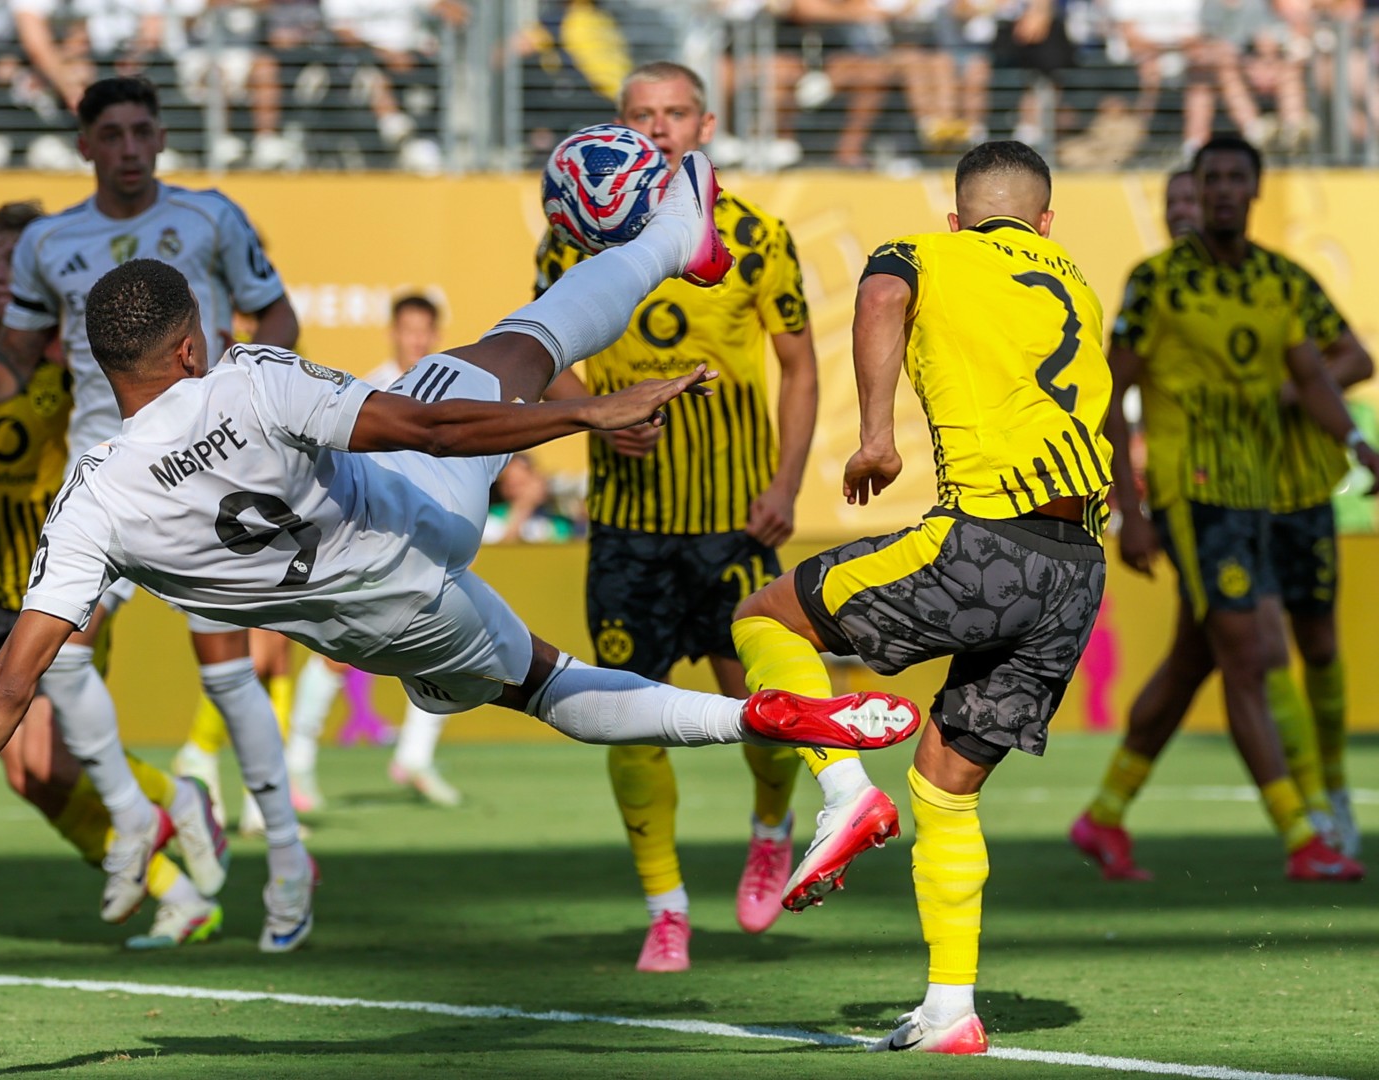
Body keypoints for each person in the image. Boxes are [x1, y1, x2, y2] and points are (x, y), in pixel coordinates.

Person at [0, 152, 923, 915]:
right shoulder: (248, 383)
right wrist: (584, 413)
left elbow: (4, 687)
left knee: (551, 687)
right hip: (418, 518)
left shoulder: (90, 504)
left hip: (388, 624)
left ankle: (774, 722)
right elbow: (431, 427)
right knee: (507, 351)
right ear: (185, 348)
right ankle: (674, 236)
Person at [728, 141, 1114, 1052]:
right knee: (946, 790)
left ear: (958, 216)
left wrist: (874, 435)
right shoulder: (1079, 284)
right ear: (1046, 221)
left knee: (762, 613)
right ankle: (951, 1008)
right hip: (1075, 567)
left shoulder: (927, 251)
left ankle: (841, 788)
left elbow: (879, 294)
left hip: (986, 538)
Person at [0, 75, 320, 952]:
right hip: (105, 471)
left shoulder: (214, 216)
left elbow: (280, 312)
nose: (129, 148)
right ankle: (136, 812)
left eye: (143, 131)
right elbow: (21, 359)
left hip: (208, 464)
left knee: (227, 671)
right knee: (60, 655)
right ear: (84, 145)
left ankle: (289, 861)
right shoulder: (49, 241)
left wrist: (247, 383)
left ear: (160, 137)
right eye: (110, 134)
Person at [537, 61, 821, 973]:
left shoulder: (755, 234)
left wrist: (785, 487)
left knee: (760, 706)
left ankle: (771, 829)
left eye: (674, 115)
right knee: (625, 712)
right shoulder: (573, 233)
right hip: (627, 524)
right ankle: (666, 906)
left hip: (735, 521)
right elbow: (540, 349)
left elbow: (800, 367)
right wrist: (586, 409)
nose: (658, 129)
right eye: (640, 116)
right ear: (618, 127)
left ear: (704, 125)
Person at [0, 198, 229, 949]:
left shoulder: (73, 358)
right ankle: (176, 877)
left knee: (42, 755)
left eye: (10, 264)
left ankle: (172, 814)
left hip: (63, 577)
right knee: (29, 775)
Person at [1073, 140, 1376, 881]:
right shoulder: (1156, 283)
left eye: (1236, 179)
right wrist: (1129, 506)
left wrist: (1361, 445)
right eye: (1210, 180)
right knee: (1251, 655)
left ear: (1255, 190)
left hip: (1264, 498)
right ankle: (1303, 835)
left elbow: (1314, 373)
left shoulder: (1277, 281)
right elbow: (1113, 391)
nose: (1221, 193)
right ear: (1195, 191)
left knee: (1193, 659)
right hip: (1194, 496)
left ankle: (1105, 815)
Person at [281, 291, 469, 810]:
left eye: (424, 330)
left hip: (430, 537)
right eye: (409, 329)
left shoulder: (446, 386)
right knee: (339, 654)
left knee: (450, 642)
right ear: (394, 331)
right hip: (372, 538)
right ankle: (295, 764)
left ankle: (414, 756)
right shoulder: (371, 388)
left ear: (434, 334)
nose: (417, 339)